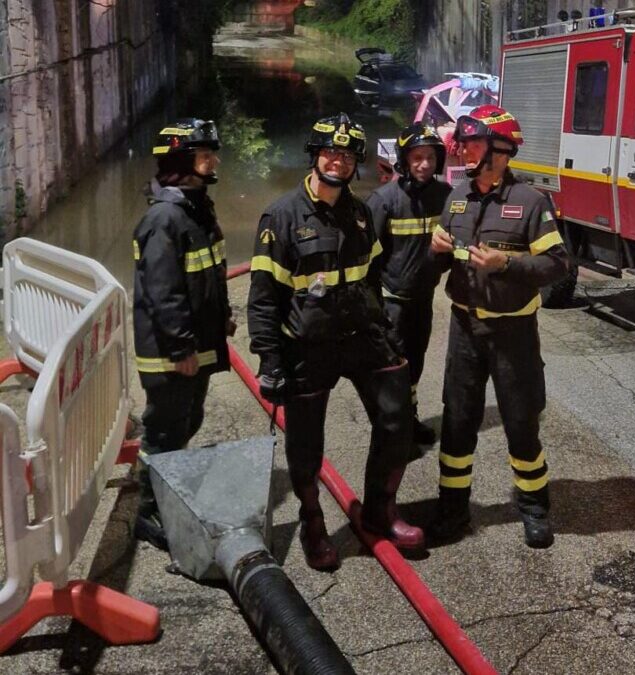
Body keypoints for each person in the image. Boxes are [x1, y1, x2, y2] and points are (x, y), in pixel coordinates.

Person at [247, 112, 424, 571]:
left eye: (347, 155)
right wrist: (270, 360)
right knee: (306, 444)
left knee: (397, 419)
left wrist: (386, 329)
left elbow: (373, 277)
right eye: (330, 152)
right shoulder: (282, 216)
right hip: (308, 346)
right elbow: (263, 299)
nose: (338, 161)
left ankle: (380, 510)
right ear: (314, 155)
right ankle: (312, 523)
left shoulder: (360, 213)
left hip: (363, 337)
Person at [428, 105, 569, 549]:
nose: (463, 151)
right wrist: (434, 250)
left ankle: (534, 509)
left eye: (473, 144)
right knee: (457, 422)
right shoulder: (457, 198)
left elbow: (558, 265)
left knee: (521, 423)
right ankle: (453, 510)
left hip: (514, 336)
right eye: (463, 144)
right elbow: (438, 264)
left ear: (501, 151)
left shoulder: (531, 202)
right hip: (465, 331)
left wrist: (506, 263)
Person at [132, 118, 235, 550]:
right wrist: (180, 348)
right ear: (180, 161)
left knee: (188, 420)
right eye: (204, 155)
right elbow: (164, 292)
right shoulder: (165, 218)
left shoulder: (195, 207)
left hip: (196, 344)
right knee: (165, 431)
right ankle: (148, 511)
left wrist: (222, 316)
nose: (213, 162)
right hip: (172, 352)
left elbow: (208, 274)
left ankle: (169, 487)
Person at [366, 124, 452, 446]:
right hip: (391, 303)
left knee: (415, 362)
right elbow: (365, 259)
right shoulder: (384, 200)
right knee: (393, 368)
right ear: (404, 161)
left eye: (430, 157)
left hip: (422, 299)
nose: (424, 164)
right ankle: (392, 434)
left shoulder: (445, 196)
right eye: (417, 158)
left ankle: (409, 421)